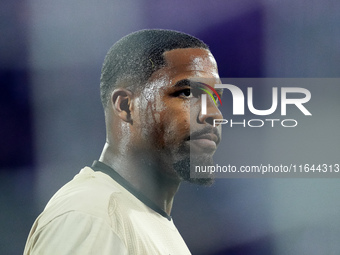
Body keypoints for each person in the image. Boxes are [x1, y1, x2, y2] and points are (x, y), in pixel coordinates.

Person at [24, 29, 223, 254]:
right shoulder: (92, 216)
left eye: (215, 98)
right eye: (186, 93)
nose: (214, 115)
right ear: (126, 106)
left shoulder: (140, 218)